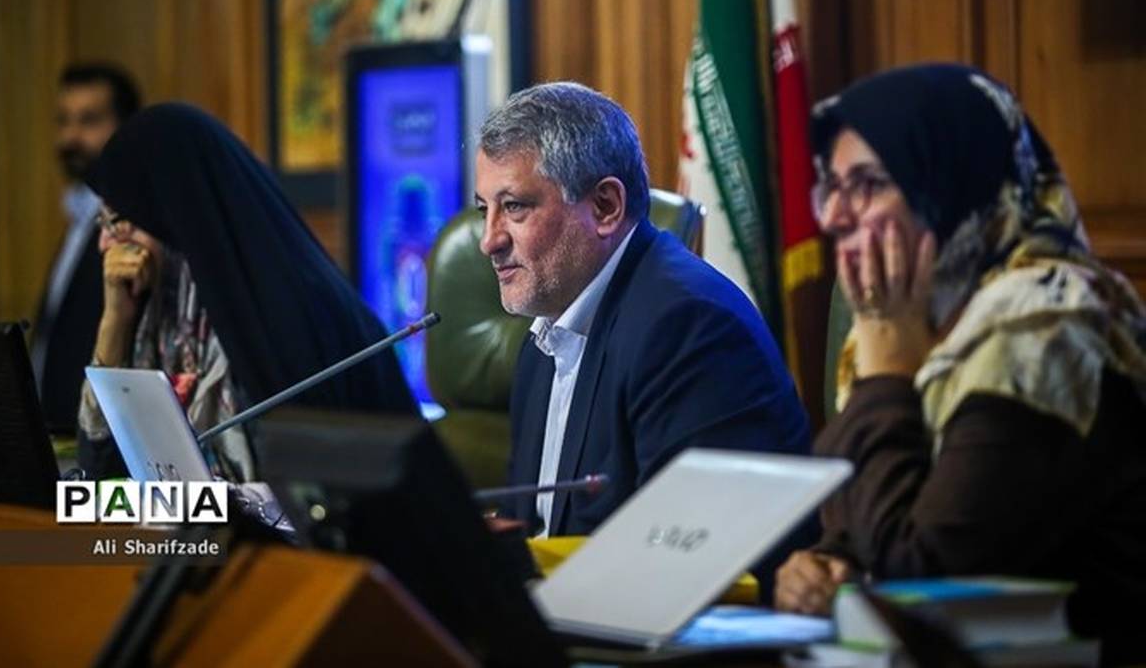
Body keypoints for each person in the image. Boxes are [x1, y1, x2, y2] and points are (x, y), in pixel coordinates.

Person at [774, 64, 1146, 663]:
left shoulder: (1044, 325)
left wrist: (886, 379)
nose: (835, 217)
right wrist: (822, 566)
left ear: (950, 187)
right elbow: (870, 530)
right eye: (833, 187)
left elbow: (924, 581)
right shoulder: (914, 325)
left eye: (867, 184)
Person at [476, 82, 810, 539]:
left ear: (605, 207)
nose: (489, 240)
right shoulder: (544, 341)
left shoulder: (689, 327)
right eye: (484, 210)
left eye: (514, 207)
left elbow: (684, 548)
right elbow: (529, 527)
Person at [78, 102, 417, 479]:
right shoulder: (155, 313)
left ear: (171, 212)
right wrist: (115, 323)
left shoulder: (281, 317)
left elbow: (284, 492)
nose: (105, 244)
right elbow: (97, 473)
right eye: (101, 222)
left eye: (118, 221)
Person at [31, 63, 140, 435]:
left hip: (99, 436)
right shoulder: (78, 217)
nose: (70, 137)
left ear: (125, 128)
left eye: (89, 120)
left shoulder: (133, 225)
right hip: (56, 435)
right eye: (63, 121)